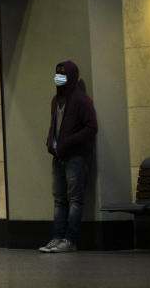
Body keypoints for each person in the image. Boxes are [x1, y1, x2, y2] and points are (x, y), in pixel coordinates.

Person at [39, 60, 97, 253]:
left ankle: (70, 240)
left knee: (74, 199)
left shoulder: (81, 100)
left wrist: (68, 142)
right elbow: (53, 126)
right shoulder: (55, 101)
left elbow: (91, 127)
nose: (58, 78)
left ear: (70, 76)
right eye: (57, 74)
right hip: (59, 156)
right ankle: (57, 238)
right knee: (59, 199)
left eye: (62, 74)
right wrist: (50, 143)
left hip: (76, 157)